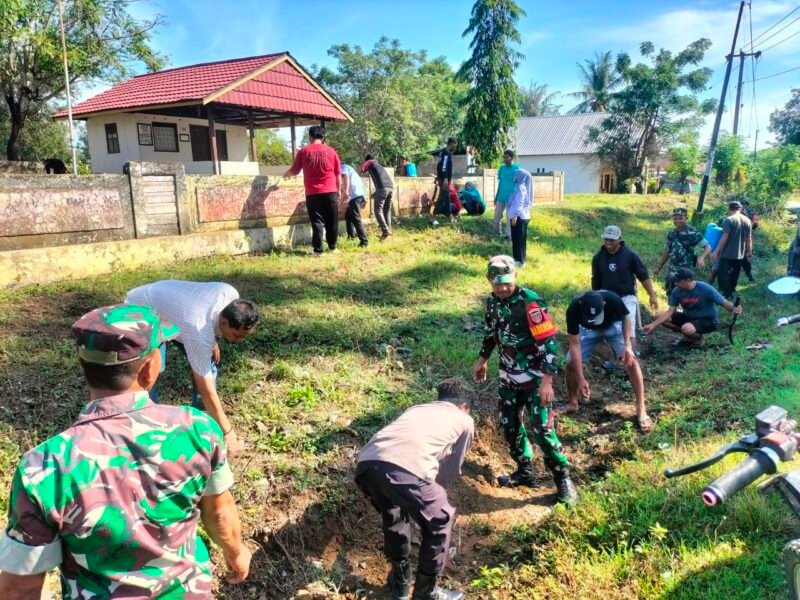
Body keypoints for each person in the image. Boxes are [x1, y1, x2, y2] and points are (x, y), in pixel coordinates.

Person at [0, 304, 250, 598]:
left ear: (83, 367)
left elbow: (20, 587)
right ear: (150, 367)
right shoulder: (198, 429)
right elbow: (219, 514)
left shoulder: (44, 467)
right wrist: (236, 553)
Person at [355, 378, 475, 600]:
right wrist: (431, 501)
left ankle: (400, 584)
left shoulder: (419, 408)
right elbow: (450, 468)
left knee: (394, 514)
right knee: (441, 519)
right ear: (464, 407)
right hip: (406, 471)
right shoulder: (465, 420)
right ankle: (425, 593)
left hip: (367, 464)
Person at [473, 256, 578, 503]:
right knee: (509, 425)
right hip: (508, 377)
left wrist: (547, 383)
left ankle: (562, 477)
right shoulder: (492, 302)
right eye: (497, 283)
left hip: (534, 379)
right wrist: (483, 358)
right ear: (489, 280)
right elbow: (492, 332)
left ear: (515, 278)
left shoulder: (530, 303)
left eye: (507, 283)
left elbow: (548, 345)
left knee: (542, 428)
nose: (503, 288)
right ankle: (525, 470)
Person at [125, 280, 259, 454]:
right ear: (224, 322)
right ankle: (145, 426)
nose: (239, 340)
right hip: (143, 309)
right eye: (236, 335)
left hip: (177, 312)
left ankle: (203, 421)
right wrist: (228, 432)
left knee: (207, 365)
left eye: (243, 336)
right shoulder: (199, 333)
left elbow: (205, 316)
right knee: (149, 373)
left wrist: (212, 339)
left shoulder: (229, 294)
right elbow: (206, 389)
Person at [563, 290, 652, 432]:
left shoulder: (612, 298)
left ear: (604, 304)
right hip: (587, 332)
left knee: (632, 361)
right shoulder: (574, 308)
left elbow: (626, 319)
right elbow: (575, 344)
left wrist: (628, 347)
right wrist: (581, 379)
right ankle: (573, 402)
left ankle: (641, 408)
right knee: (570, 363)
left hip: (613, 328)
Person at [591, 225, 658, 347]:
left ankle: (632, 354)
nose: (608, 242)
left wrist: (652, 295)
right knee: (603, 326)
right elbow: (596, 280)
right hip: (606, 298)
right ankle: (614, 354)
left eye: (611, 240)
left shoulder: (630, 256)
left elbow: (643, 276)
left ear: (619, 239)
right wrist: (595, 298)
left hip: (626, 296)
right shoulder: (598, 258)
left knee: (629, 324)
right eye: (606, 239)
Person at [643, 267, 743, 346]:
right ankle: (692, 336)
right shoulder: (677, 291)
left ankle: (697, 337)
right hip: (689, 317)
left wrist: (734, 308)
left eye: (678, 281)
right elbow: (670, 311)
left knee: (686, 328)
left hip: (707, 320)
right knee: (658, 316)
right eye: (675, 281)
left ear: (688, 280)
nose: (676, 284)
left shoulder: (705, 288)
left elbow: (723, 302)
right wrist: (653, 325)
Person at [283, 125, 342, 256]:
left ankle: (318, 251)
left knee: (317, 221)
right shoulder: (332, 151)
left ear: (310, 137)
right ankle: (333, 247)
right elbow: (338, 174)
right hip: (330, 191)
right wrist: (338, 190)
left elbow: (294, 171)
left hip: (313, 193)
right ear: (323, 137)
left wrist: (284, 175)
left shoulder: (303, 152)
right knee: (332, 221)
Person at [653, 207, 711, 295]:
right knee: (671, 292)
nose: (678, 221)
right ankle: (672, 307)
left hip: (686, 269)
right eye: (675, 218)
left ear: (686, 218)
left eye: (681, 218)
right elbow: (667, 250)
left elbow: (708, 247)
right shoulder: (672, 233)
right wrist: (659, 267)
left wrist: (701, 258)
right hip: (672, 269)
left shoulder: (693, 233)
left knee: (684, 293)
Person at [709, 200, 752, 298]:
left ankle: (726, 294)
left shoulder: (729, 220)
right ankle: (731, 290)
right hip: (740, 254)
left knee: (723, 274)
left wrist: (716, 251)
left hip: (727, 253)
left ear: (729, 209)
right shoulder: (747, 220)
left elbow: (724, 237)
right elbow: (749, 238)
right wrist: (749, 251)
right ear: (740, 209)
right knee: (735, 273)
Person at [361, 154, 394, 240]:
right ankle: (389, 230)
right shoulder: (379, 166)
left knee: (377, 210)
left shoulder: (370, 161)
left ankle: (385, 231)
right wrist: (376, 193)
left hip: (382, 189)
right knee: (386, 210)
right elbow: (381, 180)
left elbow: (362, 169)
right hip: (390, 188)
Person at [507, 169, 533, 267]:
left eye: (515, 175)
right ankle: (516, 258)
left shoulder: (521, 189)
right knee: (515, 239)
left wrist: (515, 216)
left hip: (520, 217)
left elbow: (519, 204)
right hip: (516, 216)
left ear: (520, 177)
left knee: (520, 239)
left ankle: (521, 261)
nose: (514, 177)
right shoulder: (517, 187)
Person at [341, 163, 368, 247]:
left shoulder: (343, 167)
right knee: (348, 216)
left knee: (356, 218)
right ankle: (350, 236)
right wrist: (364, 197)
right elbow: (360, 182)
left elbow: (345, 177)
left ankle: (364, 241)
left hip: (355, 195)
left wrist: (345, 192)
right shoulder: (350, 168)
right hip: (358, 195)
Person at [494, 149, 519, 239]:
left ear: (512, 158)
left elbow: (518, 185)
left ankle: (509, 236)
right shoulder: (502, 168)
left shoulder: (516, 169)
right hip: (501, 197)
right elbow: (500, 183)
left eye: (507, 157)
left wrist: (517, 198)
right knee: (497, 216)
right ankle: (497, 233)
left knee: (509, 218)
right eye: (504, 157)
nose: (505, 159)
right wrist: (496, 196)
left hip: (511, 198)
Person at [437, 137, 458, 223]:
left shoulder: (442, 152)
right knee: (443, 197)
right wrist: (445, 178)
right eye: (455, 145)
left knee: (446, 197)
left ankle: (449, 215)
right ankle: (434, 215)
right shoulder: (446, 153)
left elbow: (439, 166)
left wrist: (438, 177)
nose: (455, 147)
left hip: (442, 178)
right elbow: (444, 166)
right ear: (452, 143)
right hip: (444, 179)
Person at [741, 199, 759, 282]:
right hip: (746, 237)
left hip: (743, 238)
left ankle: (749, 274)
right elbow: (755, 225)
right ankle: (749, 274)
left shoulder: (737, 211)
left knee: (745, 258)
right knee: (746, 258)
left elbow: (755, 224)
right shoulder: (752, 212)